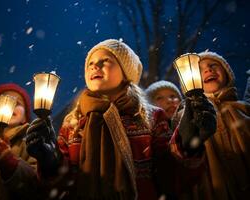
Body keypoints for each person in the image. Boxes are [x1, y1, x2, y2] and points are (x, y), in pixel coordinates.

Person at [25, 39, 217, 200]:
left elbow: (169, 176)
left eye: (105, 60)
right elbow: (61, 185)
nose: (94, 65)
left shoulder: (150, 116)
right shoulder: (72, 123)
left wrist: (187, 144)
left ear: (126, 72)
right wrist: (50, 160)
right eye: (90, 62)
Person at [190, 51, 250, 200]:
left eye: (213, 65)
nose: (208, 70)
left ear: (227, 74)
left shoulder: (244, 109)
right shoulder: (191, 117)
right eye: (200, 69)